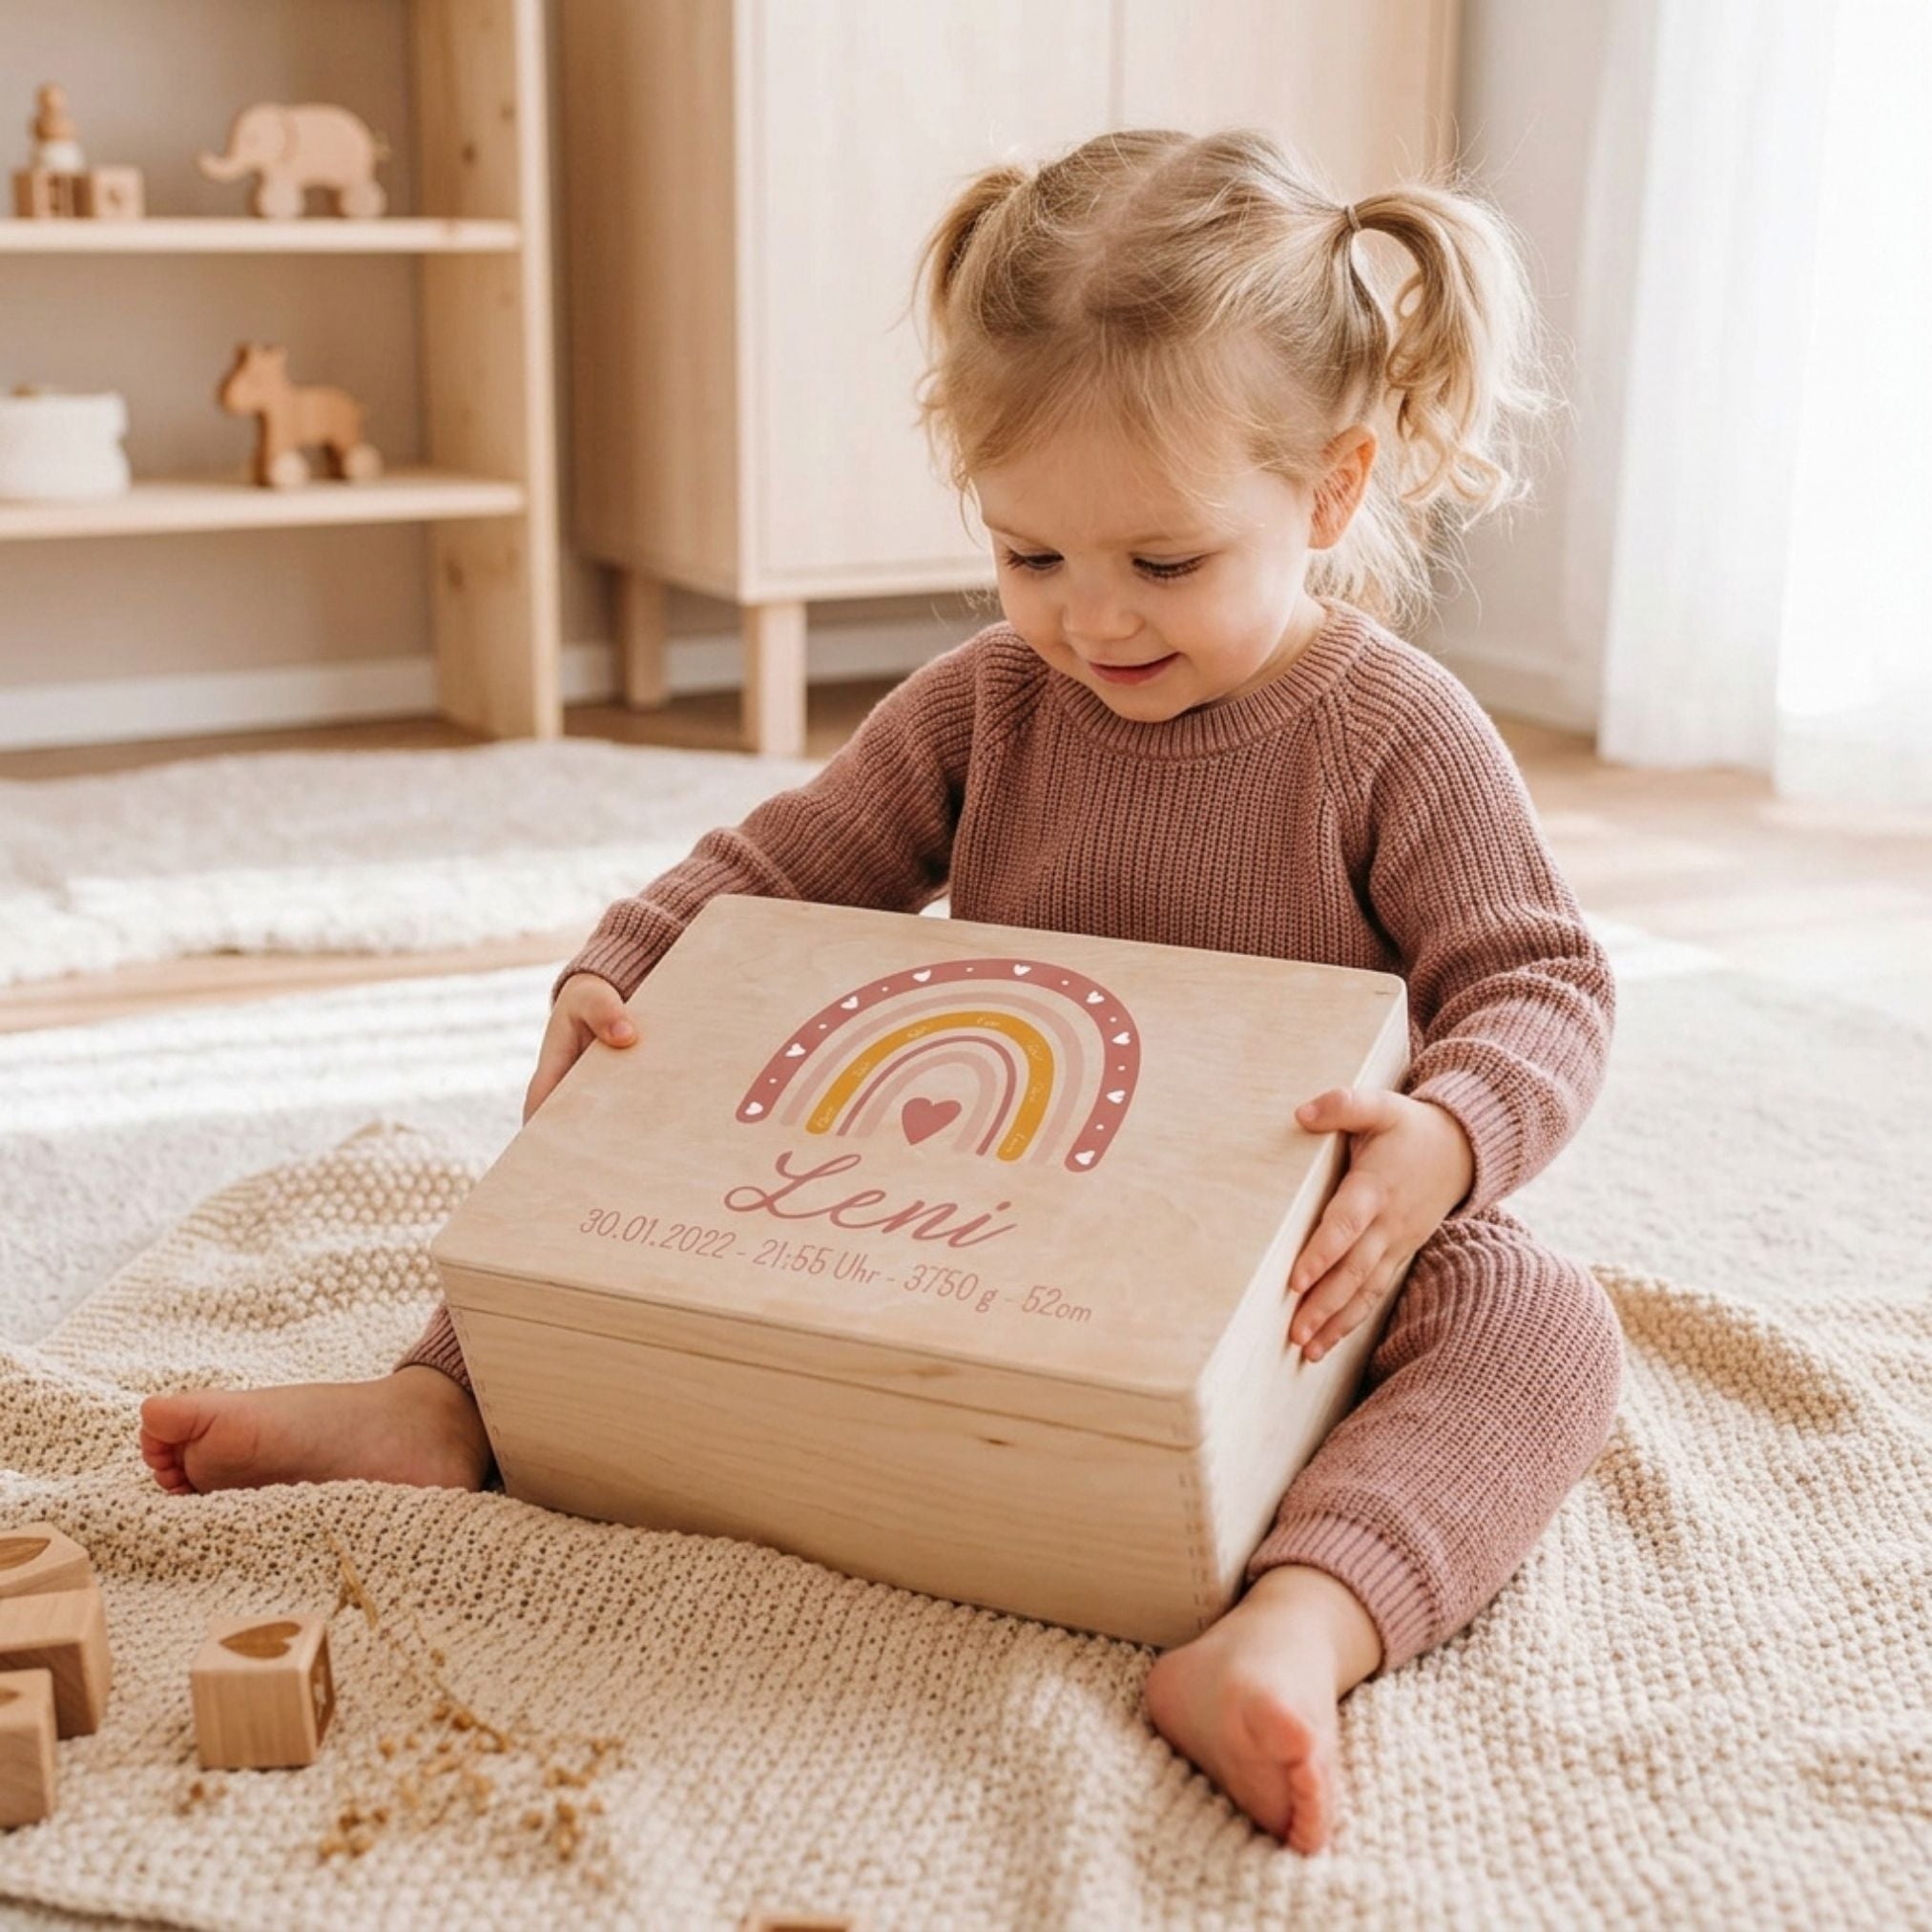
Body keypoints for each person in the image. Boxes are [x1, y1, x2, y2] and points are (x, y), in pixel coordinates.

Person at [139, 128, 1624, 1856]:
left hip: (1281, 1242)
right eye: (1028, 555)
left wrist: (1440, 1141)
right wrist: (622, 966)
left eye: (1163, 564)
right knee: (637, 1143)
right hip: (981, 1191)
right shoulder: (986, 699)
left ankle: (1292, 1620)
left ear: (1331, 490)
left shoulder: (1391, 729)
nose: (1090, 622)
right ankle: (446, 1394)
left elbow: (1541, 981)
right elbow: (778, 862)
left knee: (1534, 1318)